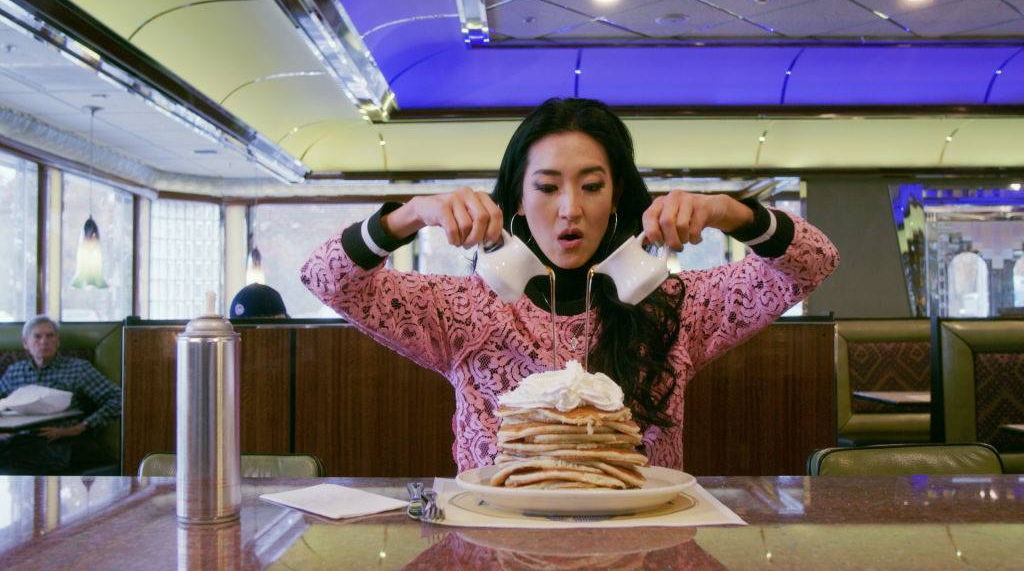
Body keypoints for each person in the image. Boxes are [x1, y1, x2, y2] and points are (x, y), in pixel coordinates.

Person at [301, 98, 839, 472]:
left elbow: (814, 262)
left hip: (640, 545)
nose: (570, 210)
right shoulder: (464, 309)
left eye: (591, 186)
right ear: (515, 199)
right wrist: (411, 214)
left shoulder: (675, 309)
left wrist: (732, 213)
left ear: (617, 197)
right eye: (547, 187)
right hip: (499, 546)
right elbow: (327, 279)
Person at [0, 315, 121, 474]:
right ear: (25, 343)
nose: (44, 341)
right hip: (16, 441)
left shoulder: (77, 369)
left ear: (58, 341)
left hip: (58, 442)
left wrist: (78, 428)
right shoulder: (14, 371)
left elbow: (118, 399)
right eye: (37, 336)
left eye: (50, 336)